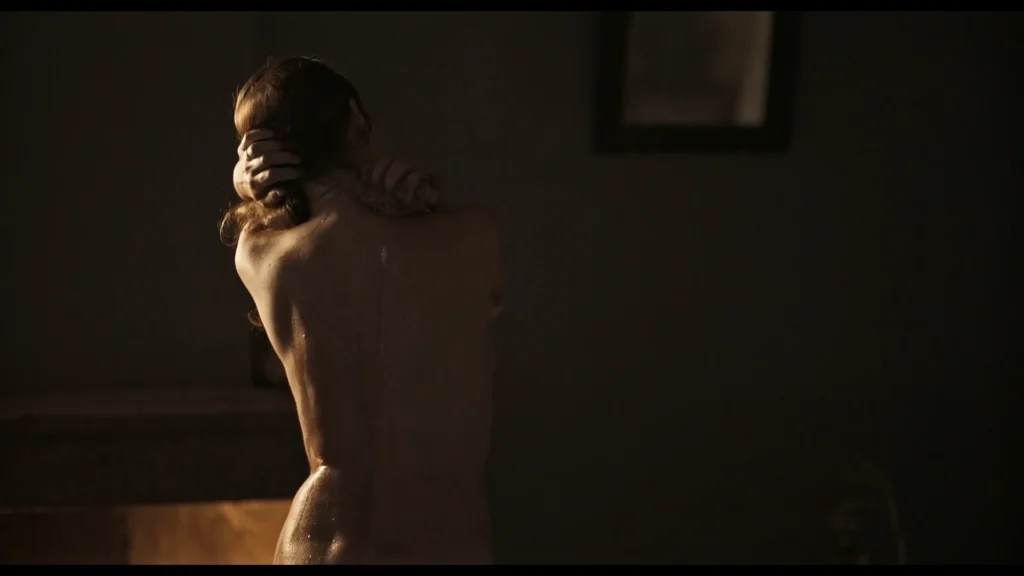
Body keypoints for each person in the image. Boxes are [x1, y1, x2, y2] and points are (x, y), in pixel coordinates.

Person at [220, 56, 504, 565]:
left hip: (321, 544)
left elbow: (263, 222)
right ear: (355, 118)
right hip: (444, 544)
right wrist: (424, 202)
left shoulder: (262, 256)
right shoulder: (473, 236)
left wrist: (247, 184)